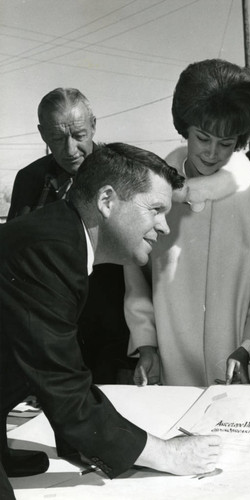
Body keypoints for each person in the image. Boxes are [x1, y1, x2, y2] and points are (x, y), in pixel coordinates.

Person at [0, 143, 221, 489]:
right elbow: (62, 384)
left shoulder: (62, 238)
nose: (164, 226)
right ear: (106, 201)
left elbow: (21, 354)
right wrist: (167, 454)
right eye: (156, 209)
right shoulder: (49, 251)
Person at [124, 59, 250, 387]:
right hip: (168, 374)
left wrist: (249, 346)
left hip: (238, 371)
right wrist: (146, 344)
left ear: (240, 140)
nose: (211, 153)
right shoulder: (151, 192)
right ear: (185, 128)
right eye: (202, 138)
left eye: (225, 143)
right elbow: (135, 280)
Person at [8, 87, 130, 384]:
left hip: (114, 333)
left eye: (78, 135)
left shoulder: (126, 174)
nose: (70, 149)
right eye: (57, 138)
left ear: (93, 125)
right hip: (46, 338)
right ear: (41, 134)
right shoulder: (30, 179)